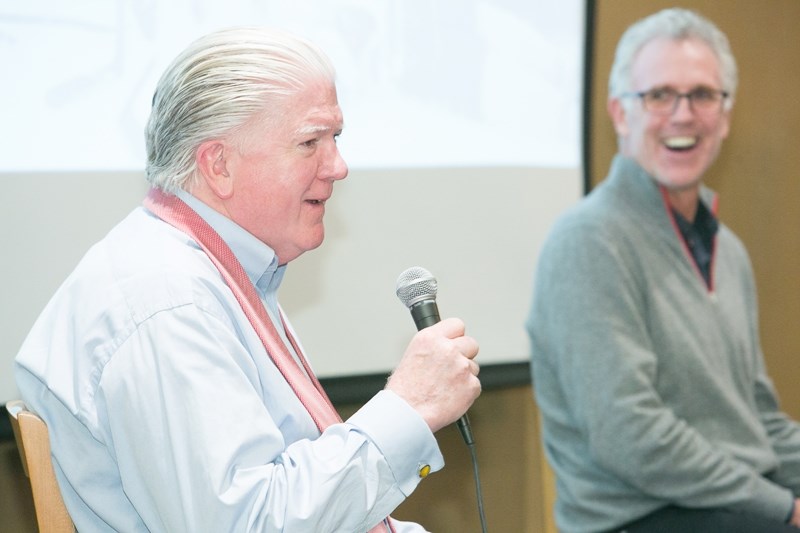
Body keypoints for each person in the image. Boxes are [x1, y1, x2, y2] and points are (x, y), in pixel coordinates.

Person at [14, 27, 481, 533]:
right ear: (218, 165)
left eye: (336, 138)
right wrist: (407, 406)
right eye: (309, 142)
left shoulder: (219, 271)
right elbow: (248, 524)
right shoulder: (168, 301)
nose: (339, 167)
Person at [527, 8, 800, 533]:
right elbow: (630, 435)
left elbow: (758, 421)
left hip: (729, 503)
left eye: (702, 95)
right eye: (659, 95)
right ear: (620, 114)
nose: (683, 114)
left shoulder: (730, 251)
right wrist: (784, 508)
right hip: (643, 518)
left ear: (725, 115)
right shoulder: (587, 242)